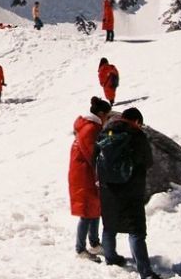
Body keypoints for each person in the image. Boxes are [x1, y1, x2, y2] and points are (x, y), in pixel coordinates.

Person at [96, 107, 160, 279]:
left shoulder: (105, 132)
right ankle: (145, 272)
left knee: (109, 226)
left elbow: (97, 157)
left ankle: (110, 258)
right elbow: (148, 161)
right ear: (137, 121)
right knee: (136, 230)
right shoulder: (136, 135)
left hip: (107, 189)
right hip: (131, 189)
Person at [68, 97, 113, 261]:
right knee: (87, 213)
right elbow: (93, 155)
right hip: (84, 176)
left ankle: (94, 244)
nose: (107, 119)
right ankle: (80, 249)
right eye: (107, 116)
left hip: (86, 175)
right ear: (101, 114)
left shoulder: (91, 127)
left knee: (95, 209)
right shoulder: (90, 129)